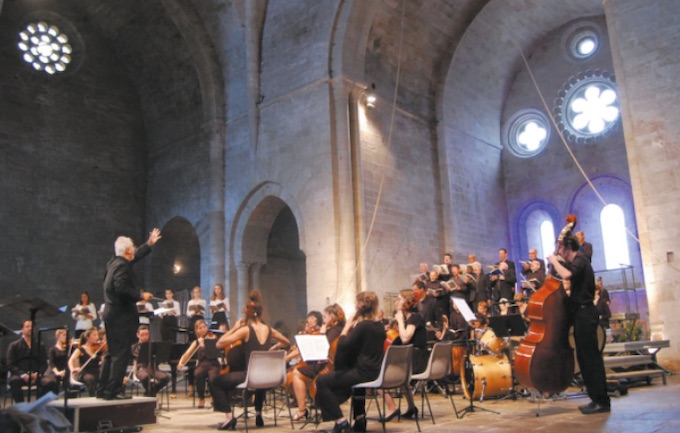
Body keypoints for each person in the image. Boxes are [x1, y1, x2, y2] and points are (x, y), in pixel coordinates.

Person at [548, 233, 610, 414]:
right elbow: (563, 271)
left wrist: (554, 260)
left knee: (591, 359)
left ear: (567, 248)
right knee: (584, 359)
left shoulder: (581, 260)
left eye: (561, 248)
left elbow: (567, 274)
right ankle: (596, 399)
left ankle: (601, 401)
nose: (559, 252)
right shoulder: (576, 262)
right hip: (580, 313)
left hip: (586, 313)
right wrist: (555, 263)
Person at [211, 290, 291, 430]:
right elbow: (286, 342)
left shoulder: (245, 330)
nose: (244, 311)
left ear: (252, 312)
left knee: (216, 382)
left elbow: (219, 343)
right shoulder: (269, 329)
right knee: (259, 375)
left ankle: (229, 417)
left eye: (246, 309)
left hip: (249, 376)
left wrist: (234, 328)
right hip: (268, 378)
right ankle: (258, 413)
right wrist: (273, 349)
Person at [101, 228, 161, 401]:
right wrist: (140, 295)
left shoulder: (114, 262)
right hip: (120, 317)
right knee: (121, 355)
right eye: (133, 247)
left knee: (112, 354)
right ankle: (113, 391)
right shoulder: (122, 266)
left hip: (112, 314)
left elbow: (134, 258)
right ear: (128, 250)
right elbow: (120, 288)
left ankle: (103, 388)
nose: (135, 249)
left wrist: (148, 244)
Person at [314, 291, 386, 433]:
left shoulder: (363, 326)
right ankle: (360, 420)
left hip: (363, 373)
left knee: (321, 381)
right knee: (351, 381)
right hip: (376, 372)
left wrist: (346, 327)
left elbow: (343, 345)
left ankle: (341, 422)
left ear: (359, 306)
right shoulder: (379, 326)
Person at [287, 304, 345, 422]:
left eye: (324, 317)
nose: (323, 320)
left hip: (327, 366)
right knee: (302, 372)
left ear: (332, 316)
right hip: (331, 365)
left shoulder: (334, 331)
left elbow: (323, 347)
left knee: (297, 373)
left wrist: (323, 333)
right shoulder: (340, 329)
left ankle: (302, 410)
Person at [382, 289, 427, 421]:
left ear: (408, 302)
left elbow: (406, 338)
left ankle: (392, 407)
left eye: (400, 299)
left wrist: (400, 321)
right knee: (400, 377)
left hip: (416, 360)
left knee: (380, 373)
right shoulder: (410, 319)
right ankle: (412, 407)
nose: (397, 302)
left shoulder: (414, 318)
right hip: (411, 358)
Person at [7, 320, 58, 403]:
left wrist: (38, 374)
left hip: (36, 374)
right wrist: (23, 375)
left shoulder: (39, 345)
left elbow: (44, 363)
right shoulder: (14, 345)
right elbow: (10, 364)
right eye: (27, 326)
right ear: (22, 329)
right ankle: (22, 407)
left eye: (31, 326)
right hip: (20, 375)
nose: (30, 328)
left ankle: (38, 404)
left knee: (51, 382)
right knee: (14, 381)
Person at [177, 319, 220, 408]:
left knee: (213, 377)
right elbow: (187, 354)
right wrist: (181, 363)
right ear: (197, 330)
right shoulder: (196, 342)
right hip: (202, 364)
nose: (203, 329)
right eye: (200, 328)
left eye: (204, 327)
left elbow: (214, 351)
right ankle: (201, 398)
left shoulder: (213, 338)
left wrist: (204, 345)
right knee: (198, 374)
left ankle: (214, 397)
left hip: (213, 364)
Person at [131, 325, 170, 397]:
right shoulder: (134, 347)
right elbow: (136, 358)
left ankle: (151, 391)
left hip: (154, 369)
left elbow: (159, 357)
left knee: (166, 377)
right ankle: (150, 393)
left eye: (147, 334)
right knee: (145, 377)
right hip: (141, 369)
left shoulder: (153, 345)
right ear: (138, 335)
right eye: (142, 335)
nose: (145, 337)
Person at [69, 327, 104, 397]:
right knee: (91, 379)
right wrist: (73, 369)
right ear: (88, 337)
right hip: (85, 372)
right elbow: (71, 360)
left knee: (105, 377)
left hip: (96, 371)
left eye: (97, 335)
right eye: (94, 335)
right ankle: (92, 397)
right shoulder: (81, 349)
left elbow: (103, 361)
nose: (97, 337)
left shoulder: (99, 348)